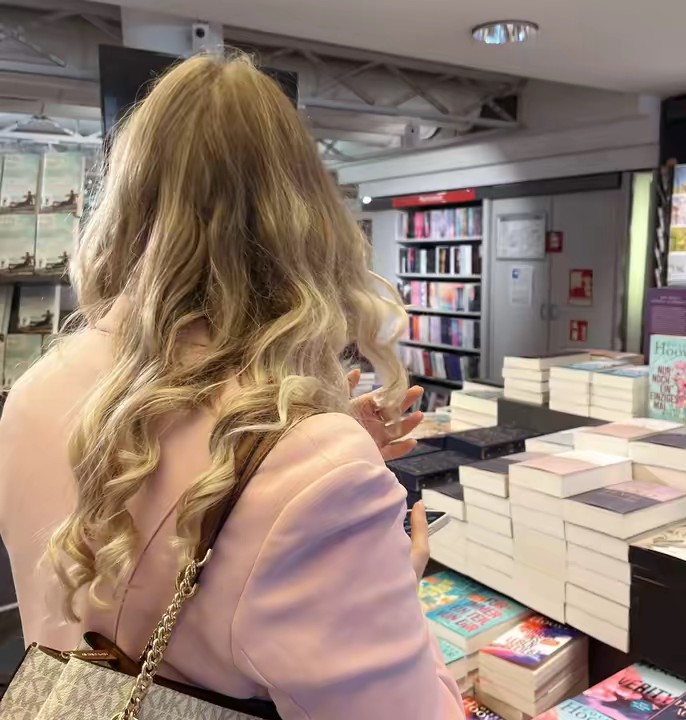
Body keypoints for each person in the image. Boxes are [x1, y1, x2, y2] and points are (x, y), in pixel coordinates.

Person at [0, 53, 464, 719]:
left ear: (126, 202)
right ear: (307, 218)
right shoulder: (318, 470)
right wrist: (394, 579)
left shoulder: (34, 390)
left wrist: (307, 440)